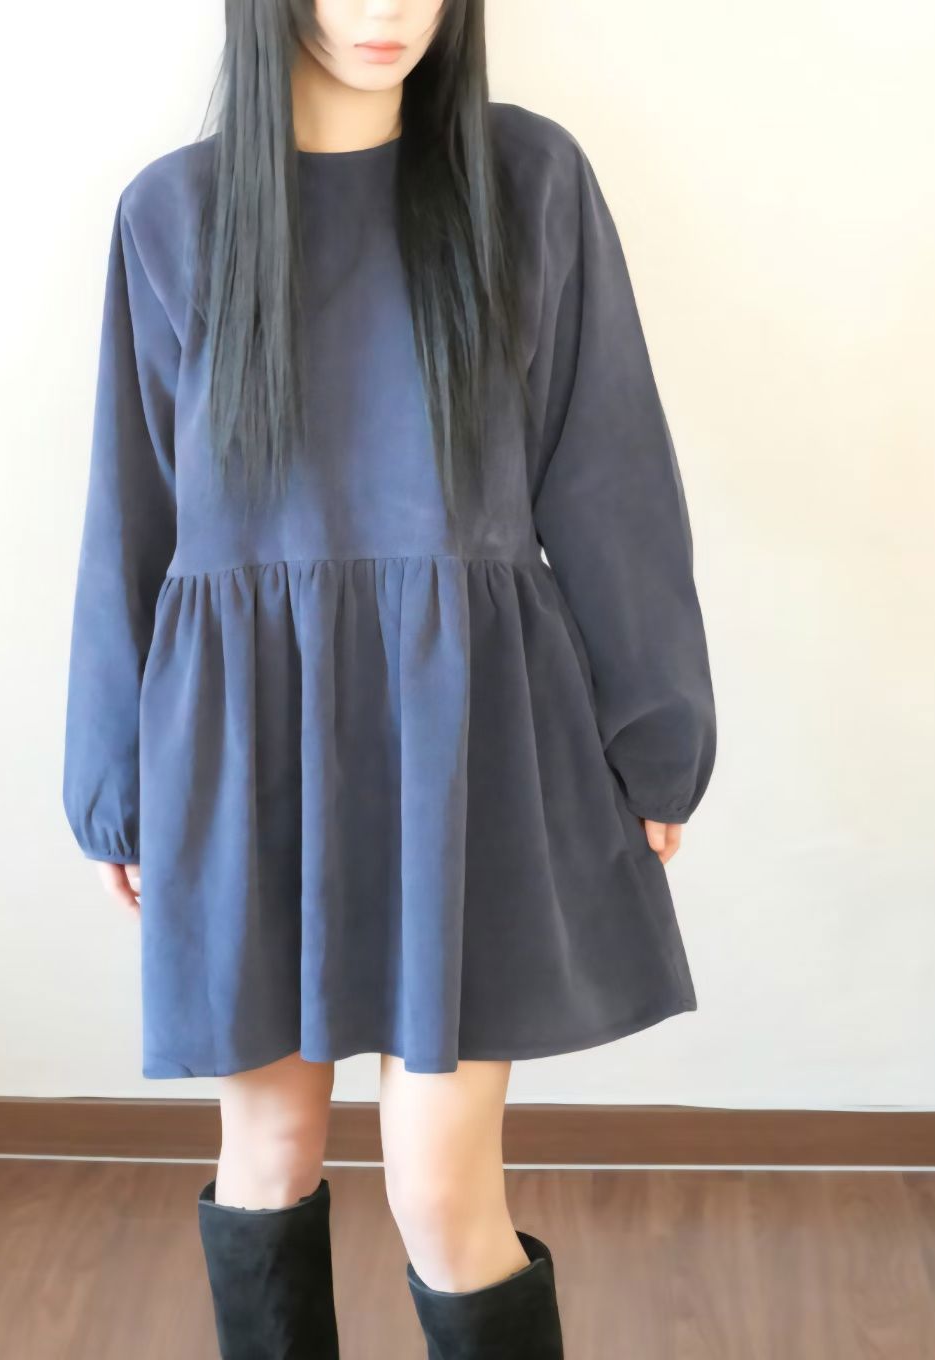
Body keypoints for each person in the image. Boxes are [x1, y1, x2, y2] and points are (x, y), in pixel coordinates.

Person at [61, 2, 717, 1356]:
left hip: (464, 734)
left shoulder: (526, 180)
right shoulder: (174, 215)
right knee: (269, 1152)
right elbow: (132, 515)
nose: (386, 9)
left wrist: (656, 727)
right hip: (244, 739)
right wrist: (113, 775)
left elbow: (608, 473)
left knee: (440, 1186)